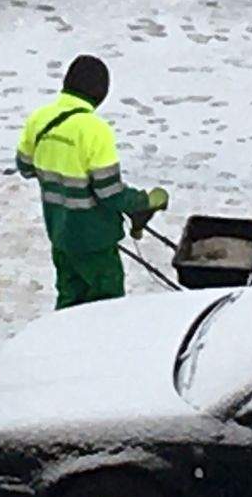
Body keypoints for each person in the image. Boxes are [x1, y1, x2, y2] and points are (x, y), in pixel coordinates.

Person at [14, 56, 168, 309]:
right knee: (105, 310)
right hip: (95, 240)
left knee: (68, 302)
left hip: (60, 234)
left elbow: (25, 167)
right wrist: (144, 201)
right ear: (100, 92)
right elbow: (109, 192)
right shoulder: (95, 129)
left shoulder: (39, 119)